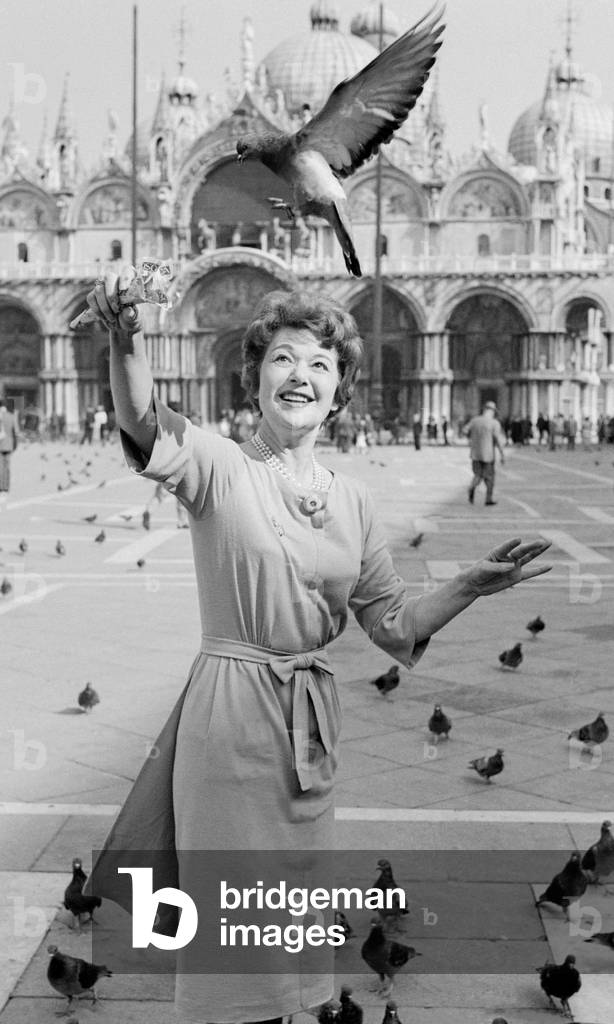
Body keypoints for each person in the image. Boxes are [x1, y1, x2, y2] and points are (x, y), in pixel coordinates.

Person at [83, 275, 551, 1024]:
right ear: (257, 377)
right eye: (283, 359)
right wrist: (126, 335)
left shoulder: (353, 499)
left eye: (321, 364)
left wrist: (468, 585)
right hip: (232, 716)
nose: (300, 374)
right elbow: (140, 413)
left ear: (340, 393)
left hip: (309, 732)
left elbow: (393, 622)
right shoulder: (218, 466)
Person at [465, 401, 505, 506]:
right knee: (490, 477)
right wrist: (502, 454)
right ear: (492, 411)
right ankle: (488, 499)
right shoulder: (494, 423)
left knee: (477, 475)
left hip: (475, 453)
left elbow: (465, 430)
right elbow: (497, 439)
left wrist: (472, 439)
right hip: (488, 455)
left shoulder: (474, 420)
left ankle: (472, 487)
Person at [0, 398, 18, 504]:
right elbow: (16, 431)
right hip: (9, 445)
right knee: (7, 467)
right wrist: (15, 445)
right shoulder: (11, 416)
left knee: (0, 467)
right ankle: (6, 488)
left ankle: (1, 488)